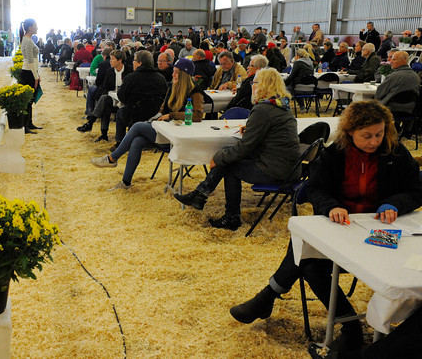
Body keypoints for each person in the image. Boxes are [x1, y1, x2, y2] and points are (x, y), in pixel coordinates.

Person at [229, 100, 422, 358]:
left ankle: (268, 296)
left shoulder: (395, 152)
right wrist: (331, 206)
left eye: (379, 134)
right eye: (367, 136)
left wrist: (394, 203)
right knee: (310, 261)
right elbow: (316, 189)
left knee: (307, 254)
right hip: (343, 229)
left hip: (383, 230)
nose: (375, 141)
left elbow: (416, 191)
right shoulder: (334, 154)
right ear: (350, 131)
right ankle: (350, 326)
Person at [174, 68, 301, 230]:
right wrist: (251, 130)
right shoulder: (280, 105)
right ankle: (200, 194)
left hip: (276, 171)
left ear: (263, 86)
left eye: (254, 83)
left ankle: (230, 216)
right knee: (229, 154)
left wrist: (217, 158)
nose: (252, 87)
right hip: (289, 168)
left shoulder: (263, 109)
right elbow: (268, 134)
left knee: (230, 165)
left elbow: (244, 148)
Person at [90, 58, 204, 190]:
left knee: (138, 126)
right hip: (166, 130)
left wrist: (171, 115)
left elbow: (197, 116)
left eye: (176, 72)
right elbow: (162, 109)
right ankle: (125, 183)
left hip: (180, 136)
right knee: (137, 141)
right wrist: (157, 118)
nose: (173, 75)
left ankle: (112, 159)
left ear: (184, 75)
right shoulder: (172, 87)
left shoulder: (195, 92)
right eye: (173, 71)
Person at [113, 50, 168, 149]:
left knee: (119, 113)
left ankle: (120, 142)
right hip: (155, 114)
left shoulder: (130, 78)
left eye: (134, 60)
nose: (132, 63)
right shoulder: (161, 78)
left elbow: (121, 96)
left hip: (133, 115)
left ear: (140, 63)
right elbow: (165, 97)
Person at [77, 50, 131, 141]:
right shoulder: (109, 72)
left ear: (120, 60)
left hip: (126, 100)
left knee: (104, 101)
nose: (110, 61)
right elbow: (103, 88)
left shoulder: (129, 71)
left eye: (113, 59)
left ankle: (91, 122)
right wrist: (110, 93)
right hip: (112, 98)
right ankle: (103, 134)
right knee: (104, 99)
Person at [375, 50, 420, 117]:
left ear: (403, 62)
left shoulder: (393, 76)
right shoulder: (416, 76)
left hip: (391, 109)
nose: (391, 61)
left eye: (394, 59)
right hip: (411, 109)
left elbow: (379, 94)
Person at [18, 18, 42, 134]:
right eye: (35, 25)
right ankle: (25, 126)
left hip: (31, 72)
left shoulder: (29, 40)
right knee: (27, 100)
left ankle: (29, 123)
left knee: (31, 99)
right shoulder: (27, 41)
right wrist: (35, 76)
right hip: (28, 73)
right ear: (30, 27)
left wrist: (37, 74)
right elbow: (29, 60)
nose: (37, 27)